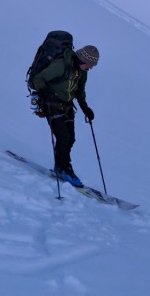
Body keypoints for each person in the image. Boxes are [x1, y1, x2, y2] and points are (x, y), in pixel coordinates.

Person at [30, 37, 99, 188]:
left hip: (67, 107)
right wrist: (45, 94)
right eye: (90, 65)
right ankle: (64, 170)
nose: (91, 68)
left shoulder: (82, 72)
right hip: (51, 104)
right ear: (82, 60)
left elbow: (80, 91)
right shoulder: (61, 65)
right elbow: (38, 79)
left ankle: (62, 167)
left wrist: (85, 108)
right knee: (63, 137)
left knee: (70, 139)